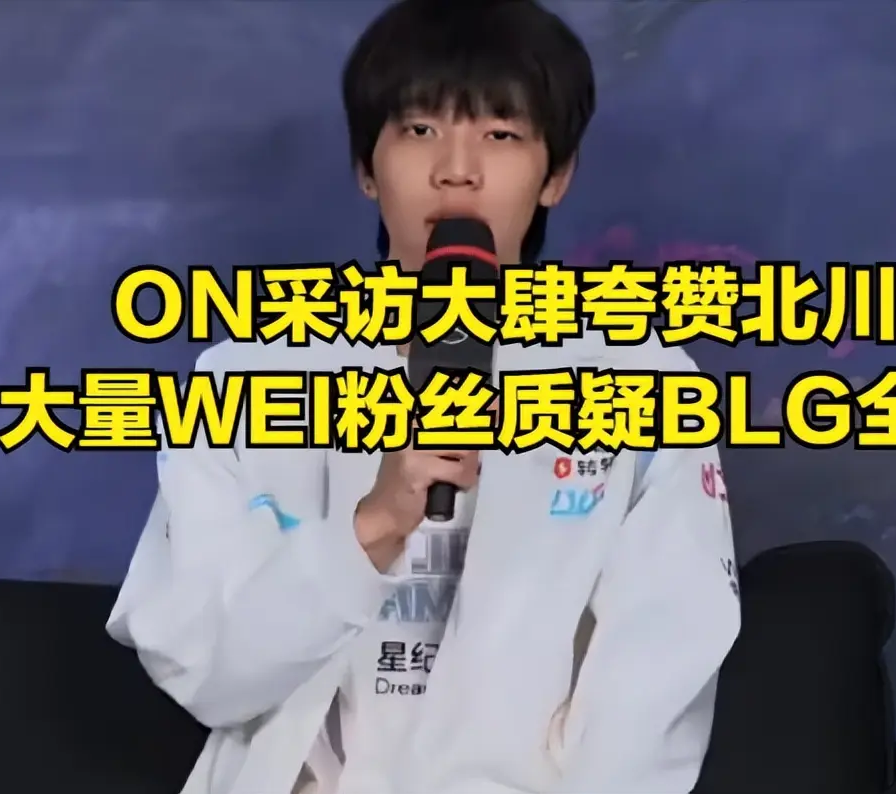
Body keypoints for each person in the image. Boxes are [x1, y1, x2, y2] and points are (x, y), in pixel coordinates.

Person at [108, 1, 740, 792]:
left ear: (556, 175)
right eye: (419, 129)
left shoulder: (641, 382)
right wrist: (372, 525)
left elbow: (658, 675)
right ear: (367, 168)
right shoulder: (244, 380)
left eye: (501, 135)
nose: (457, 169)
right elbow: (209, 674)